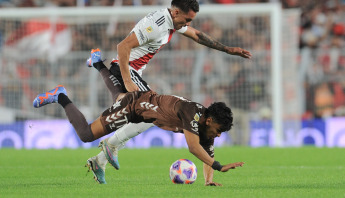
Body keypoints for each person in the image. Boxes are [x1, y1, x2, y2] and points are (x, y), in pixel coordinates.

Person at [85, 0, 251, 181]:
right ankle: (111, 145)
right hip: (127, 69)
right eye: (187, 19)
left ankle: (99, 160)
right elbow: (123, 46)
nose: (187, 24)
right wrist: (128, 80)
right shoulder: (157, 25)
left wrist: (227, 49)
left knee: (138, 113)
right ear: (176, 12)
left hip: (133, 71)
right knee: (149, 114)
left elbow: (197, 35)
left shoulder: (173, 22)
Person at [33, 61, 245, 186]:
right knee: (86, 134)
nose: (217, 136)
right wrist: (219, 167)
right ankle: (61, 96)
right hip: (134, 107)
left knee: (118, 97)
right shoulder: (192, 114)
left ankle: (100, 66)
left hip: (146, 110)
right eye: (218, 131)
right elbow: (193, 147)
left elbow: (207, 153)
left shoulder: (205, 126)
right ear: (209, 120)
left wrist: (209, 179)